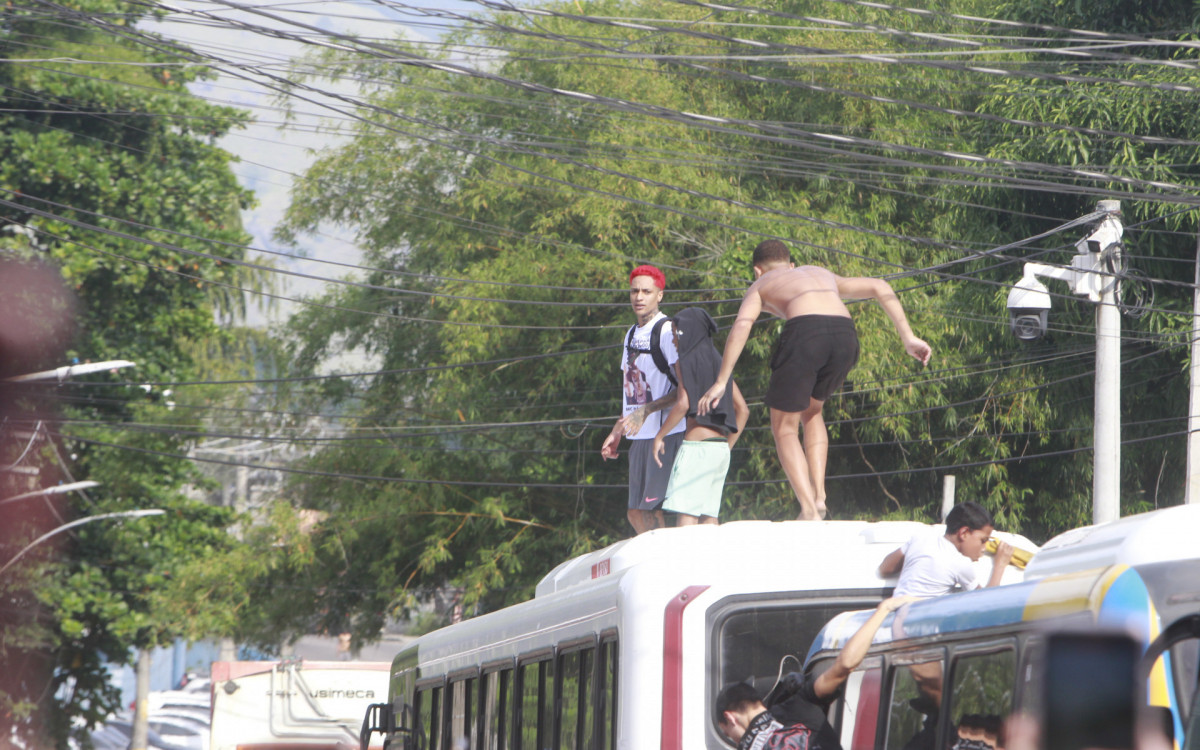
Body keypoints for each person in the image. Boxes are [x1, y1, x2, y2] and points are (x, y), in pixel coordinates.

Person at [696, 239, 932, 521]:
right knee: (812, 410)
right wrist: (907, 336)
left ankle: (808, 510)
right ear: (792, 265)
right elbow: (880, 286)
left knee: (784, 425)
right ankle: (819, 498)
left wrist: (722, 380)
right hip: (845, 335)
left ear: (758, 270)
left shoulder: (761, 284)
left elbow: (742, 325)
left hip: (806, 334)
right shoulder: (820, 273)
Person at [715, 596, 917, 750]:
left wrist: (882, 611)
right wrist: (883, 611)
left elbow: (845, 665)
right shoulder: (800, 704)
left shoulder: (794, 706)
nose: (734, 740)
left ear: (731, 718)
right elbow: (844, 665)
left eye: (728, 733)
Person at [601, 265, 684, 534]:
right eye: (634, 291)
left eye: (646, 291)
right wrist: (618, 429)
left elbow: (686, 390)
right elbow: (633, 393)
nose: (639, 297)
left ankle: (667, 570)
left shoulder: (666, 331)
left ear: (659, 295)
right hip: (638, 436)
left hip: (665, 433)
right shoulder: (630, 335)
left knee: (651, 511)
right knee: (636, 513)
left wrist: (648, 410)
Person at [649, 307, 750, 525]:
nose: (674, 341)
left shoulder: (686, 360)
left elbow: (683, 403)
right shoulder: (720, 362)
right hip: (719, 449)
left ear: (688, 332)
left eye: (676, 334)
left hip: (697, 449)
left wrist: (660, 436)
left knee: (686, 516)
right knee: (709, 518)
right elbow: (743, 409)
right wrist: (726, 447)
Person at [877, 501, 1014, 596]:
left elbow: (885, 569)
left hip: (897, 620)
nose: (984, 549)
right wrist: (1000, 565)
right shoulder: (960, 563)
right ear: (964, 533)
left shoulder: (921, 539)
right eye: (983, 541)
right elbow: (985, 602)